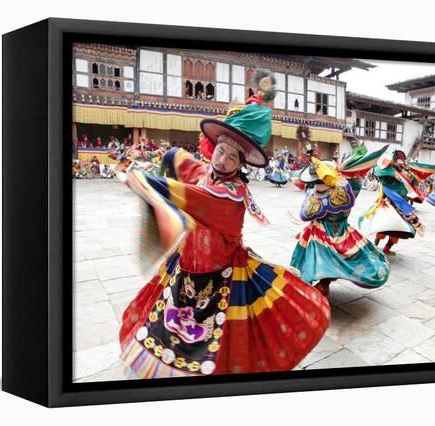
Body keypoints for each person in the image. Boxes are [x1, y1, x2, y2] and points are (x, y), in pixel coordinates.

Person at [118, 70, 330, 378]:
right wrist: (164, 160)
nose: (223, 161)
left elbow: (192, 197)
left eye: (232, 158)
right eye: (220, 151)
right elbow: (182, 161)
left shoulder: (228, 196)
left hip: (221, 276)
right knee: (167, 332)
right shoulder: (208, 173)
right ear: (211, 147)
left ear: (241, 164)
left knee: (223, 341)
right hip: (187, 268)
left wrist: (142, 180)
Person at [291, 146, 390, 297]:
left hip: (320, 232)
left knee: (318, 259)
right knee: (336, 259)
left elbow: (305, 214)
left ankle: (322, 286)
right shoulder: (347, 188)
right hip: (342, 230)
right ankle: (324, 285)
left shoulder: (314, 194)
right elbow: (355, 183)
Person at [359, 150, 425, 256]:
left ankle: (386, 248)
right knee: (383, 226)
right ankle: (375, 246)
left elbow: (411, 182)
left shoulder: (401, 172)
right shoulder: (385, 171)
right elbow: (381, 173)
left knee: (399, 228)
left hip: (399, 205)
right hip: (387, 203)